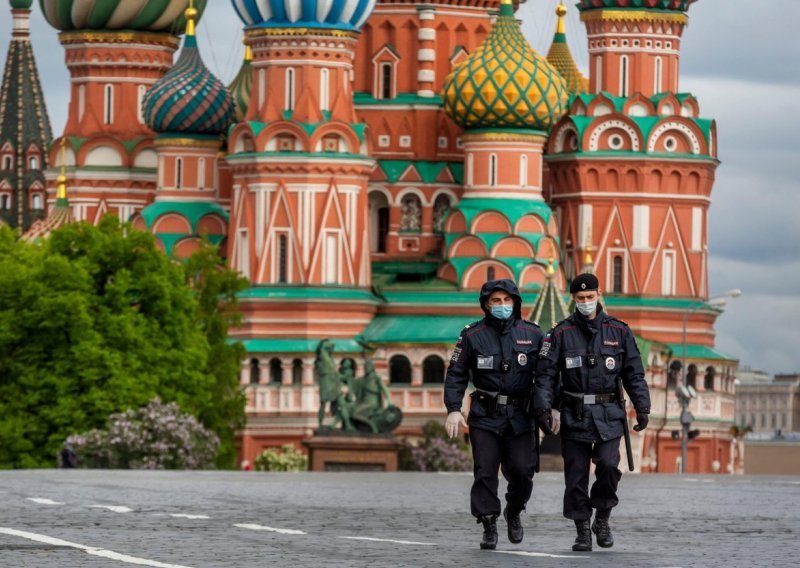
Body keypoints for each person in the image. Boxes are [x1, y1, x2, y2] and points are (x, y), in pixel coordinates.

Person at [533, 273, 650, 552]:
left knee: (609, 466)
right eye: (580, 298)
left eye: (590, 297)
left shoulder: (619, 331)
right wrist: (543, 409)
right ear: (573, 299)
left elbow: (634, 373)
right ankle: (582, 529)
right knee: (576, 476)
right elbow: (546, 375)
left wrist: (642, 406)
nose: (586, 302)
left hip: (609, 414)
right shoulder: (559, 334)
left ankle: (603, 518)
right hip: (574, 413)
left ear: (599, 295)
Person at [443, 279, 543, 550]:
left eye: (507, 301)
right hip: (485, 415)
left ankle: (514, 510)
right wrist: (453, 409)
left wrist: (548, 408)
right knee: (485, 471)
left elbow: (547, 375)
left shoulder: (533, 334)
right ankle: (488, 522)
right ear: (486, 305)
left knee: (522, 471)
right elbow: (456, 373)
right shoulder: (471, 335)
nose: (502, 306)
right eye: (496, 301)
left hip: (521, 415)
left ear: (516, 302)